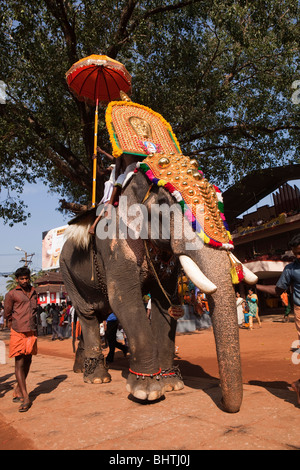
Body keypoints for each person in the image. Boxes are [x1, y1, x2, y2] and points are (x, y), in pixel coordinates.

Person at [4, 267, 38, 412]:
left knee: (29, 360)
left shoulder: (34, 292)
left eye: (26, 278)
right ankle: (25, 397)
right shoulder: (11, 294)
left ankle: (18, 389)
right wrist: (14, 322)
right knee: (19, 362)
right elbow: (7, 313)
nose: (25, 281)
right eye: (22, 279)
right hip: (18, 331)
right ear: (17, 280)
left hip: (31, 331)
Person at [275, 234, 300, 404]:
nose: (298, 256)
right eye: (295, 253)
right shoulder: (290, 269)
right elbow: (279, 288)